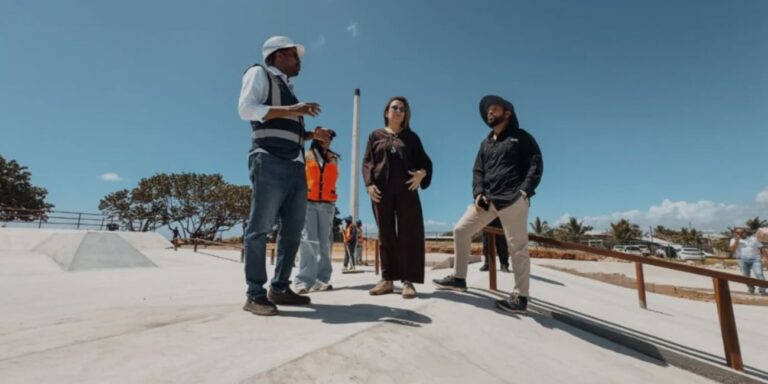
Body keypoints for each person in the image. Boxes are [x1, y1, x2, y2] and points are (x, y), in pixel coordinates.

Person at [237, 35, 332, 316]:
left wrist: (311, 135)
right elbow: (246, 109)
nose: (299, 61)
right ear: (279, 55)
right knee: (260, 228)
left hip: (295, 165)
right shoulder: (259, 74)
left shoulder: (288, 90)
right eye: (294, 56)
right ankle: (255, 294)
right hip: (269, 160)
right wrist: (293, 109)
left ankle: (279, 288)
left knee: (292, 231)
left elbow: (286, 128)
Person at [433, 95, 543, 314]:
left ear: (507, 113)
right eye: (488, 110)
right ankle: (459, 278)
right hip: (488, 201)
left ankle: (520, 297)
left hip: (513, 200)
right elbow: (478, 171)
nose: (489, 112)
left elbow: (536, 163)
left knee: (518, 248)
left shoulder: (521, 137)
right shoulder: (485, 143)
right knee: (461, 230)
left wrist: (524, 191)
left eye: (494, 109)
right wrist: (478, 193)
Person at [363, 96, 433, 299]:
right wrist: (369, 185)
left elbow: (425, 163)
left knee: (409, 234)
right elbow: (367, 163)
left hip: (407, 190)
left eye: (402, 109)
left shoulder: (411, 138)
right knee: (385, 234)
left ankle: (408, 281)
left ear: (405, 115)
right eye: (395, 107)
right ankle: (387, 280)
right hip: (381, 191)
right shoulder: (374, 136)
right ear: (387, 112)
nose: (398, 111)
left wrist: (421, 174)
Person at [294, 130, 340, 293]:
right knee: (308, 241)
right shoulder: (306, 156)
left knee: (325, 243)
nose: (328, 139)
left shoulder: (333, 158)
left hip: (327, 204)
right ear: (316, 136)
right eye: (325, 135)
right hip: (308, 203)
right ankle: (303, 281)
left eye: (330, 137)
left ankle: (322, 279)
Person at [730, 227, 766, 295]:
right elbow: (732, 249)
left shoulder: (753, 239)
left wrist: (766, 258)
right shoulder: (733, 240)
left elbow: (761, 248)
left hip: (755, 260)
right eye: (737, 232)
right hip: (742, 260)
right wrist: (737, 241)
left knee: (759, 274)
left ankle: (762, 290)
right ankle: (751, 288)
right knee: (745, 276)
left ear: (745, 233)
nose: (740, 234)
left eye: (742, 232)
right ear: (734, 233)